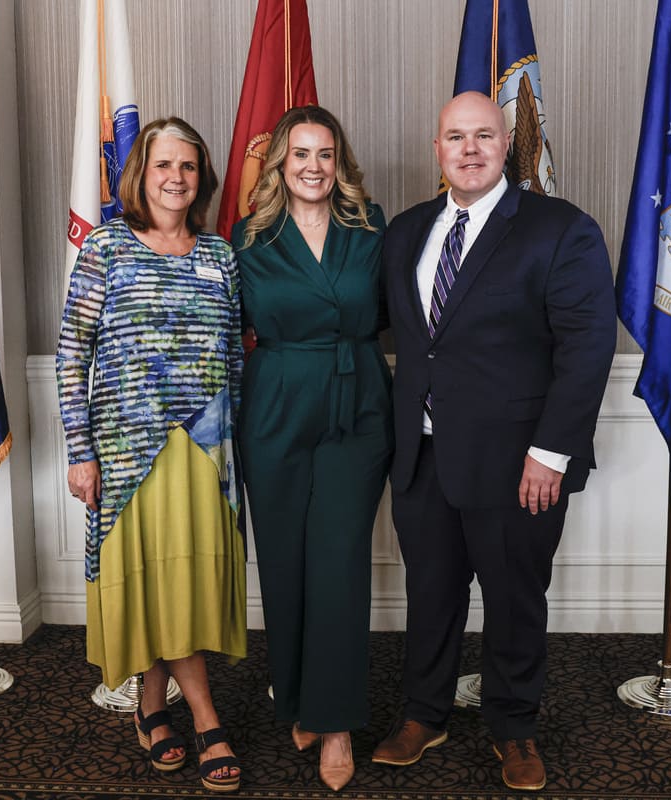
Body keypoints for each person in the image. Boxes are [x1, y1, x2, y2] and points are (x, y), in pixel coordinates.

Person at [371, 91, 616, 792]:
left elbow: (587, 346)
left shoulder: (560, 229)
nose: (470, 148)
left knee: (514, 599)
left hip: (518, 464)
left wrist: (551, 453)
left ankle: (514, 726)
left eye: (484, 135)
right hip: (421, 457)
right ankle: (424, 713)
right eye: (456, 137)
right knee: (431, 594)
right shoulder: (407, 231)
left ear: (507, 144)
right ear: (438, 149)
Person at [56, 117, 246, 794]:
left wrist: (237, 451)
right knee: (151, 581)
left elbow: (233, 357)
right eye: (164, 165)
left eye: (188, 166)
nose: (176, 178)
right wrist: (80, 451)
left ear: (202, 178)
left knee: (181, 584)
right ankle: (206, 718)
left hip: (205, 452)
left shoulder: (221, 255)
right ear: (140, 174)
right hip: (126, 451)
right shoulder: (106, 246)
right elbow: (72, 353)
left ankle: (150, 705)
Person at [233, 105, 392, 793]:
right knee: (284, 562)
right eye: (300, 154)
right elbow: (225, 326)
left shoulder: (371, 227)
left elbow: (399, 311)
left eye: (325, 154)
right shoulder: (249, 237)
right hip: (274, 404)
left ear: (340, 162)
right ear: (280, 163)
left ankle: (336, 724)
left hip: (356, 406)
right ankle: (297, 698)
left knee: (338, 563)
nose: (313, 167)